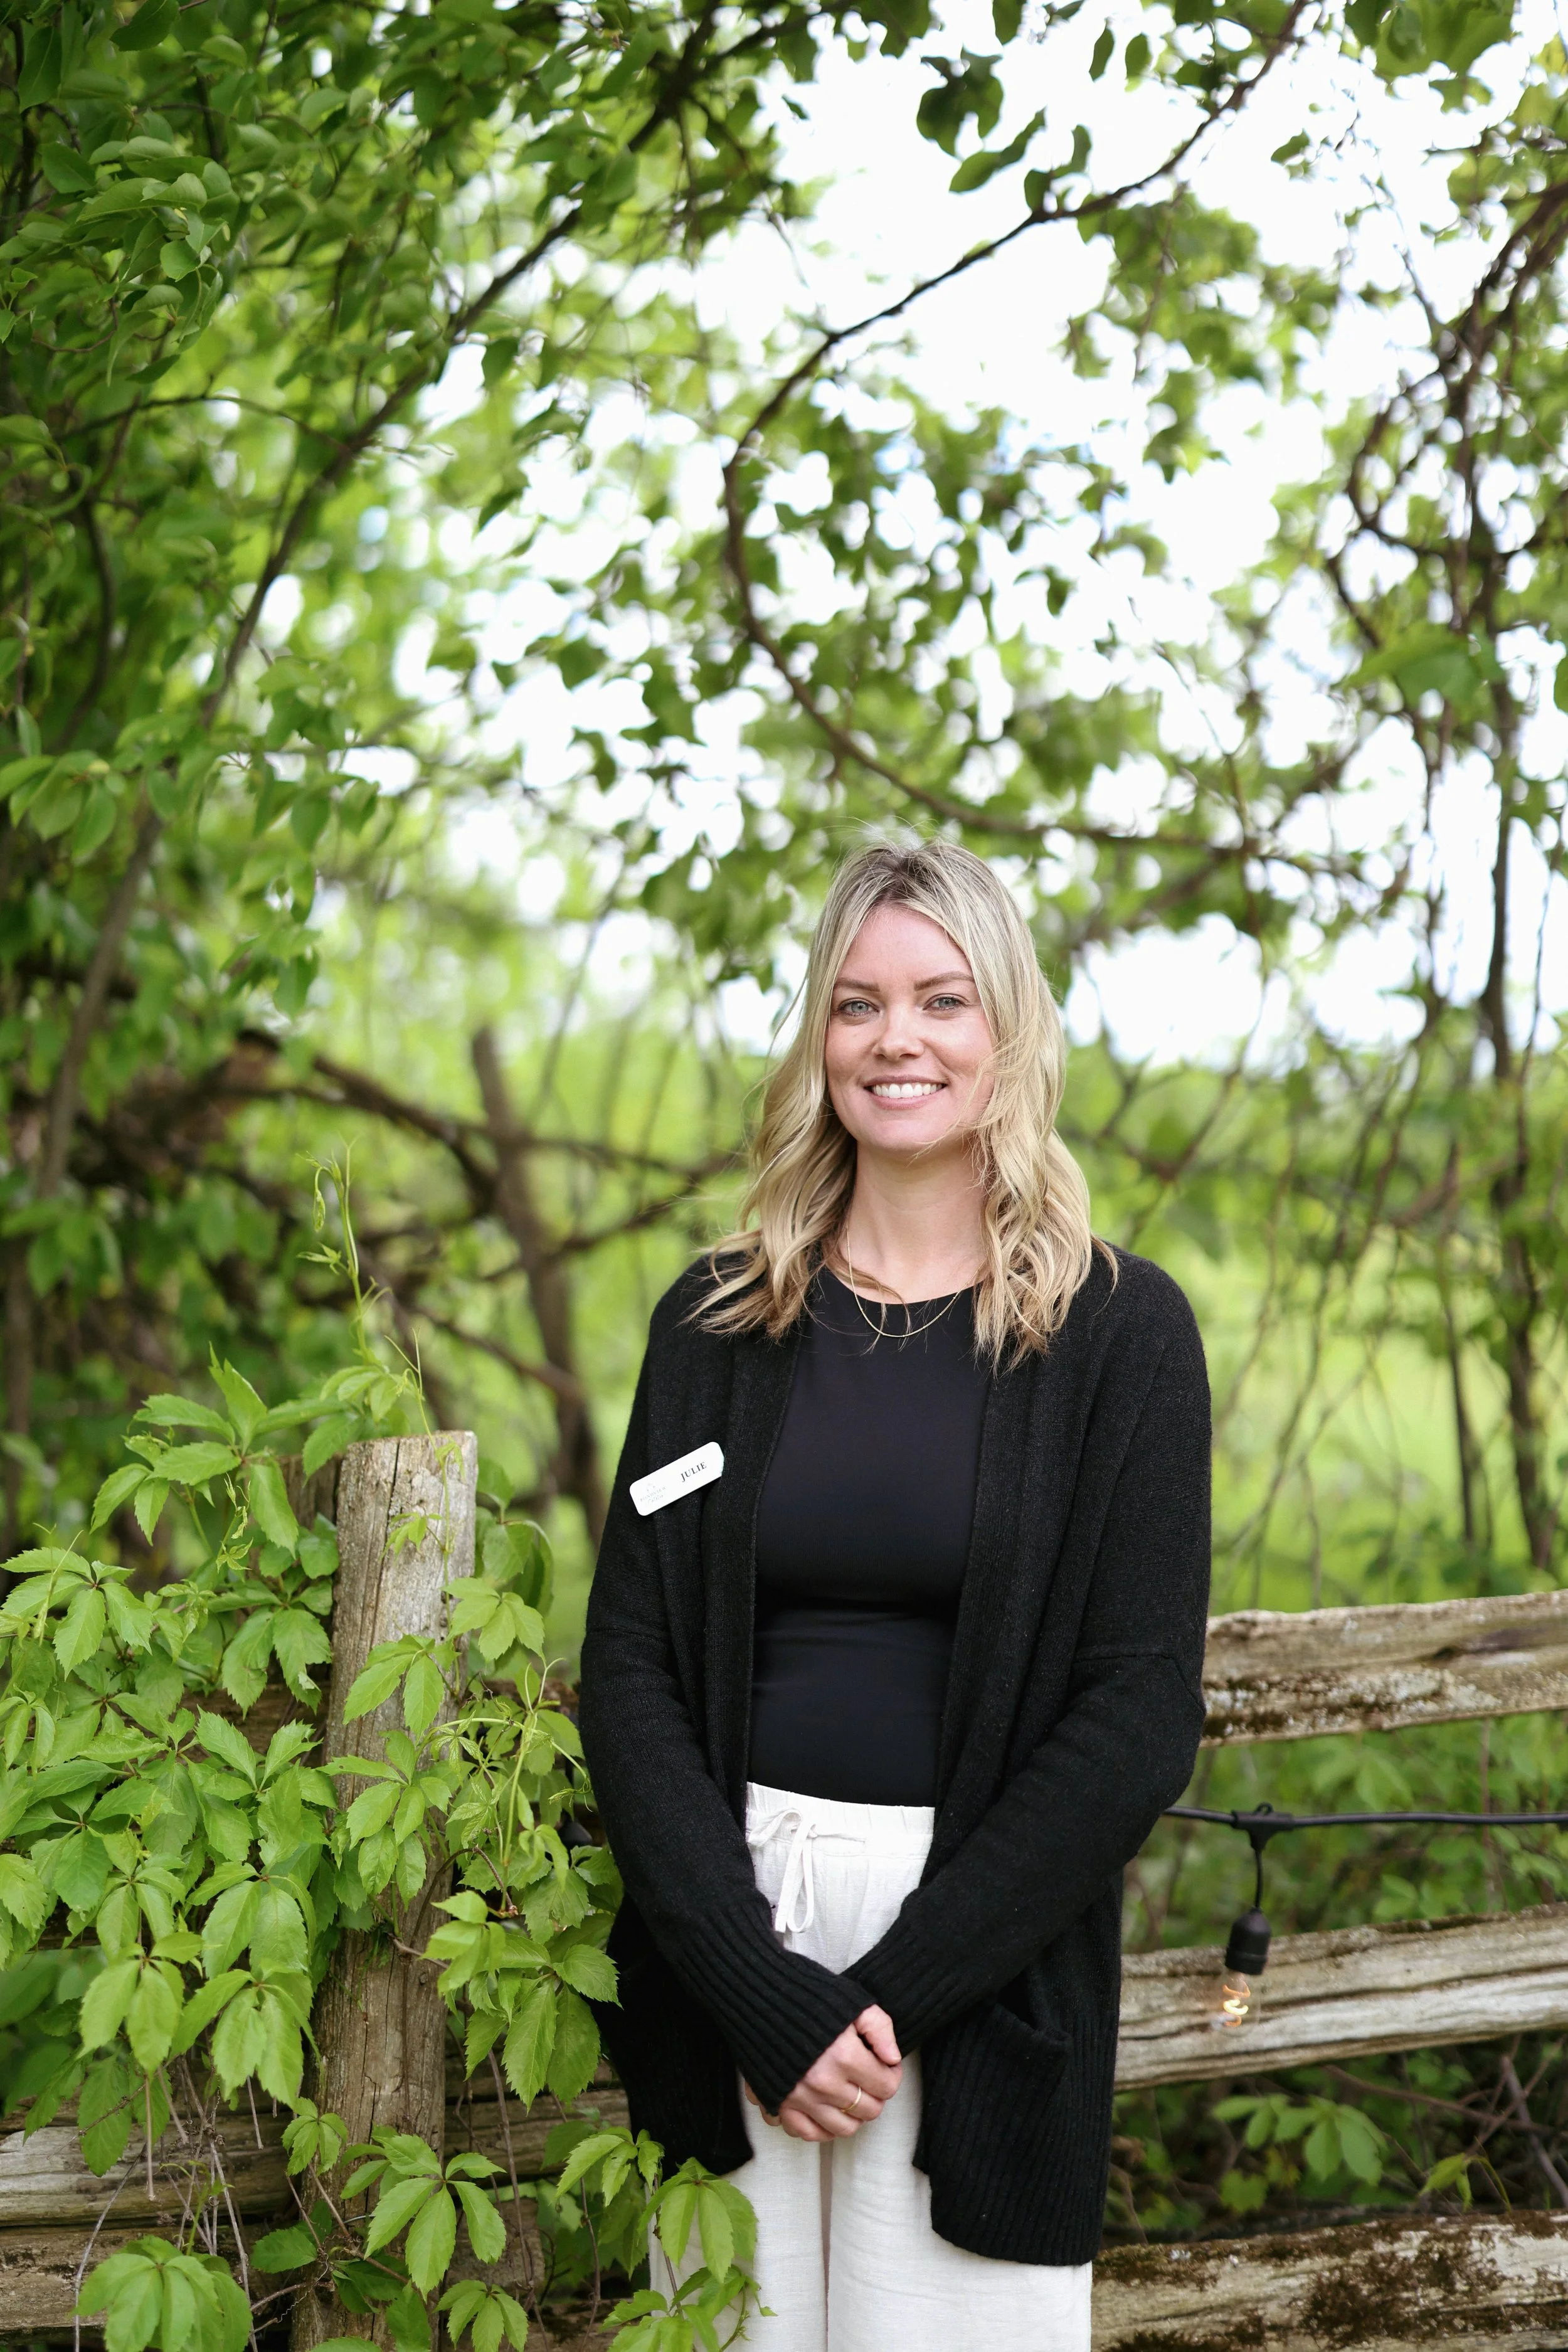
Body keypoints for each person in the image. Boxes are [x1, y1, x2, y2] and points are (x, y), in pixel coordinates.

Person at [578, 837, 1210, 2352]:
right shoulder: (717, 1323)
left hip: (979, 1960)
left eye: (939, 1000)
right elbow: (629, 1671)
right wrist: (756, 1989)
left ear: (1007, 1030)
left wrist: (885, 1998)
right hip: (731, 1939)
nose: (896, 1041)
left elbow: (1133, 1716)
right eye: (856, 1006)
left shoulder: (1118, 1338)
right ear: (818, 1039)